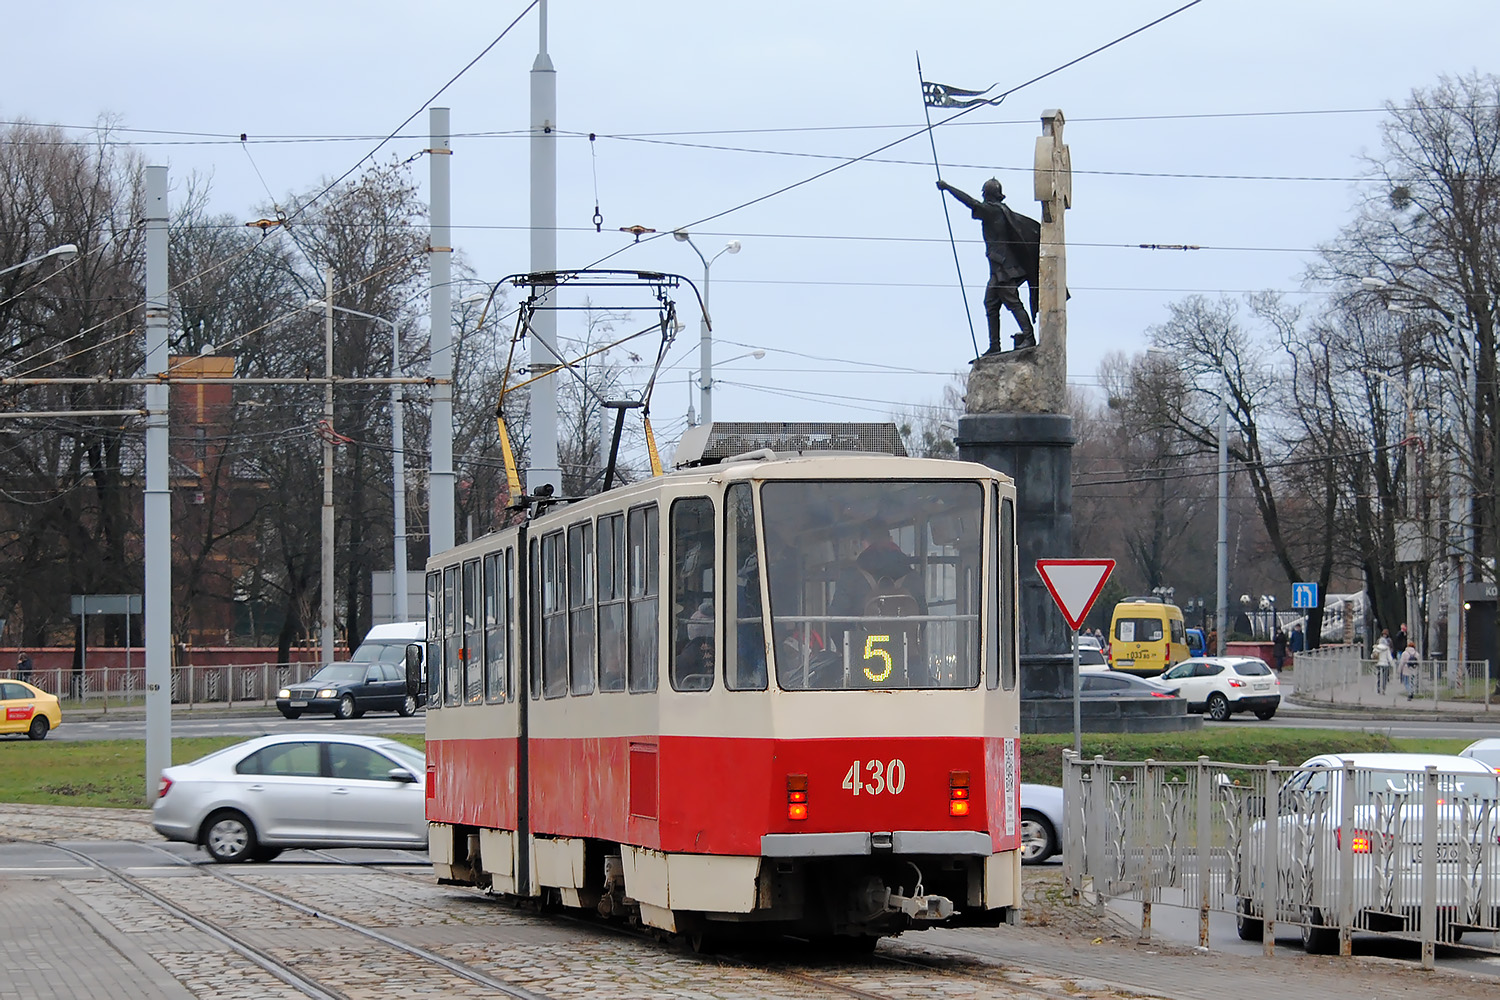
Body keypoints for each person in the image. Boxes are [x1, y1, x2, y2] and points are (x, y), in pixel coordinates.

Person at [935, 178, 1041, 353]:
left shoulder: (993, 211)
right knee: (991, 303)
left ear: (988, 195)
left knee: (1013, 303)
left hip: (1004, 269)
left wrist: (947, 187)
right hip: (999, 269)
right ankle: (994, 345)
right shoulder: (1001, 210)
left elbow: (970, 202)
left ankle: (1029, 337)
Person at [1373, 630, 1393, 695]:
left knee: (1379, 677)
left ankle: (1378, 688)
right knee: (1384, 678)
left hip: (1378, 664)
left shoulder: (1376, 648)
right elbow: (1389, 657)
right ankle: (1383, 689)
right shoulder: (1387, 648)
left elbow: (1372, 655)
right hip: (1385, 664)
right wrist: (1392, 664)